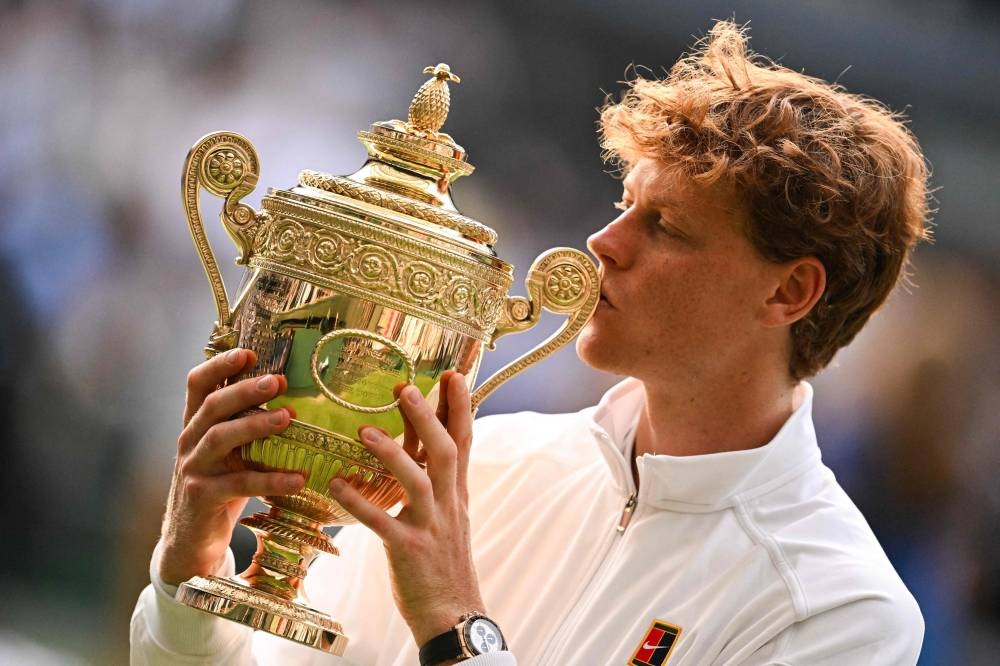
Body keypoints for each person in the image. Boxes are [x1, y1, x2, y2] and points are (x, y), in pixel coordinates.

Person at [131, 20, 930, 665]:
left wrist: (456, 625)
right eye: (622, 206)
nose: (604, 243)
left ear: (788, 292)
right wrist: (190, 569)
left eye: (666, 227)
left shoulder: (840, 611)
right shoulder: (480, 465)